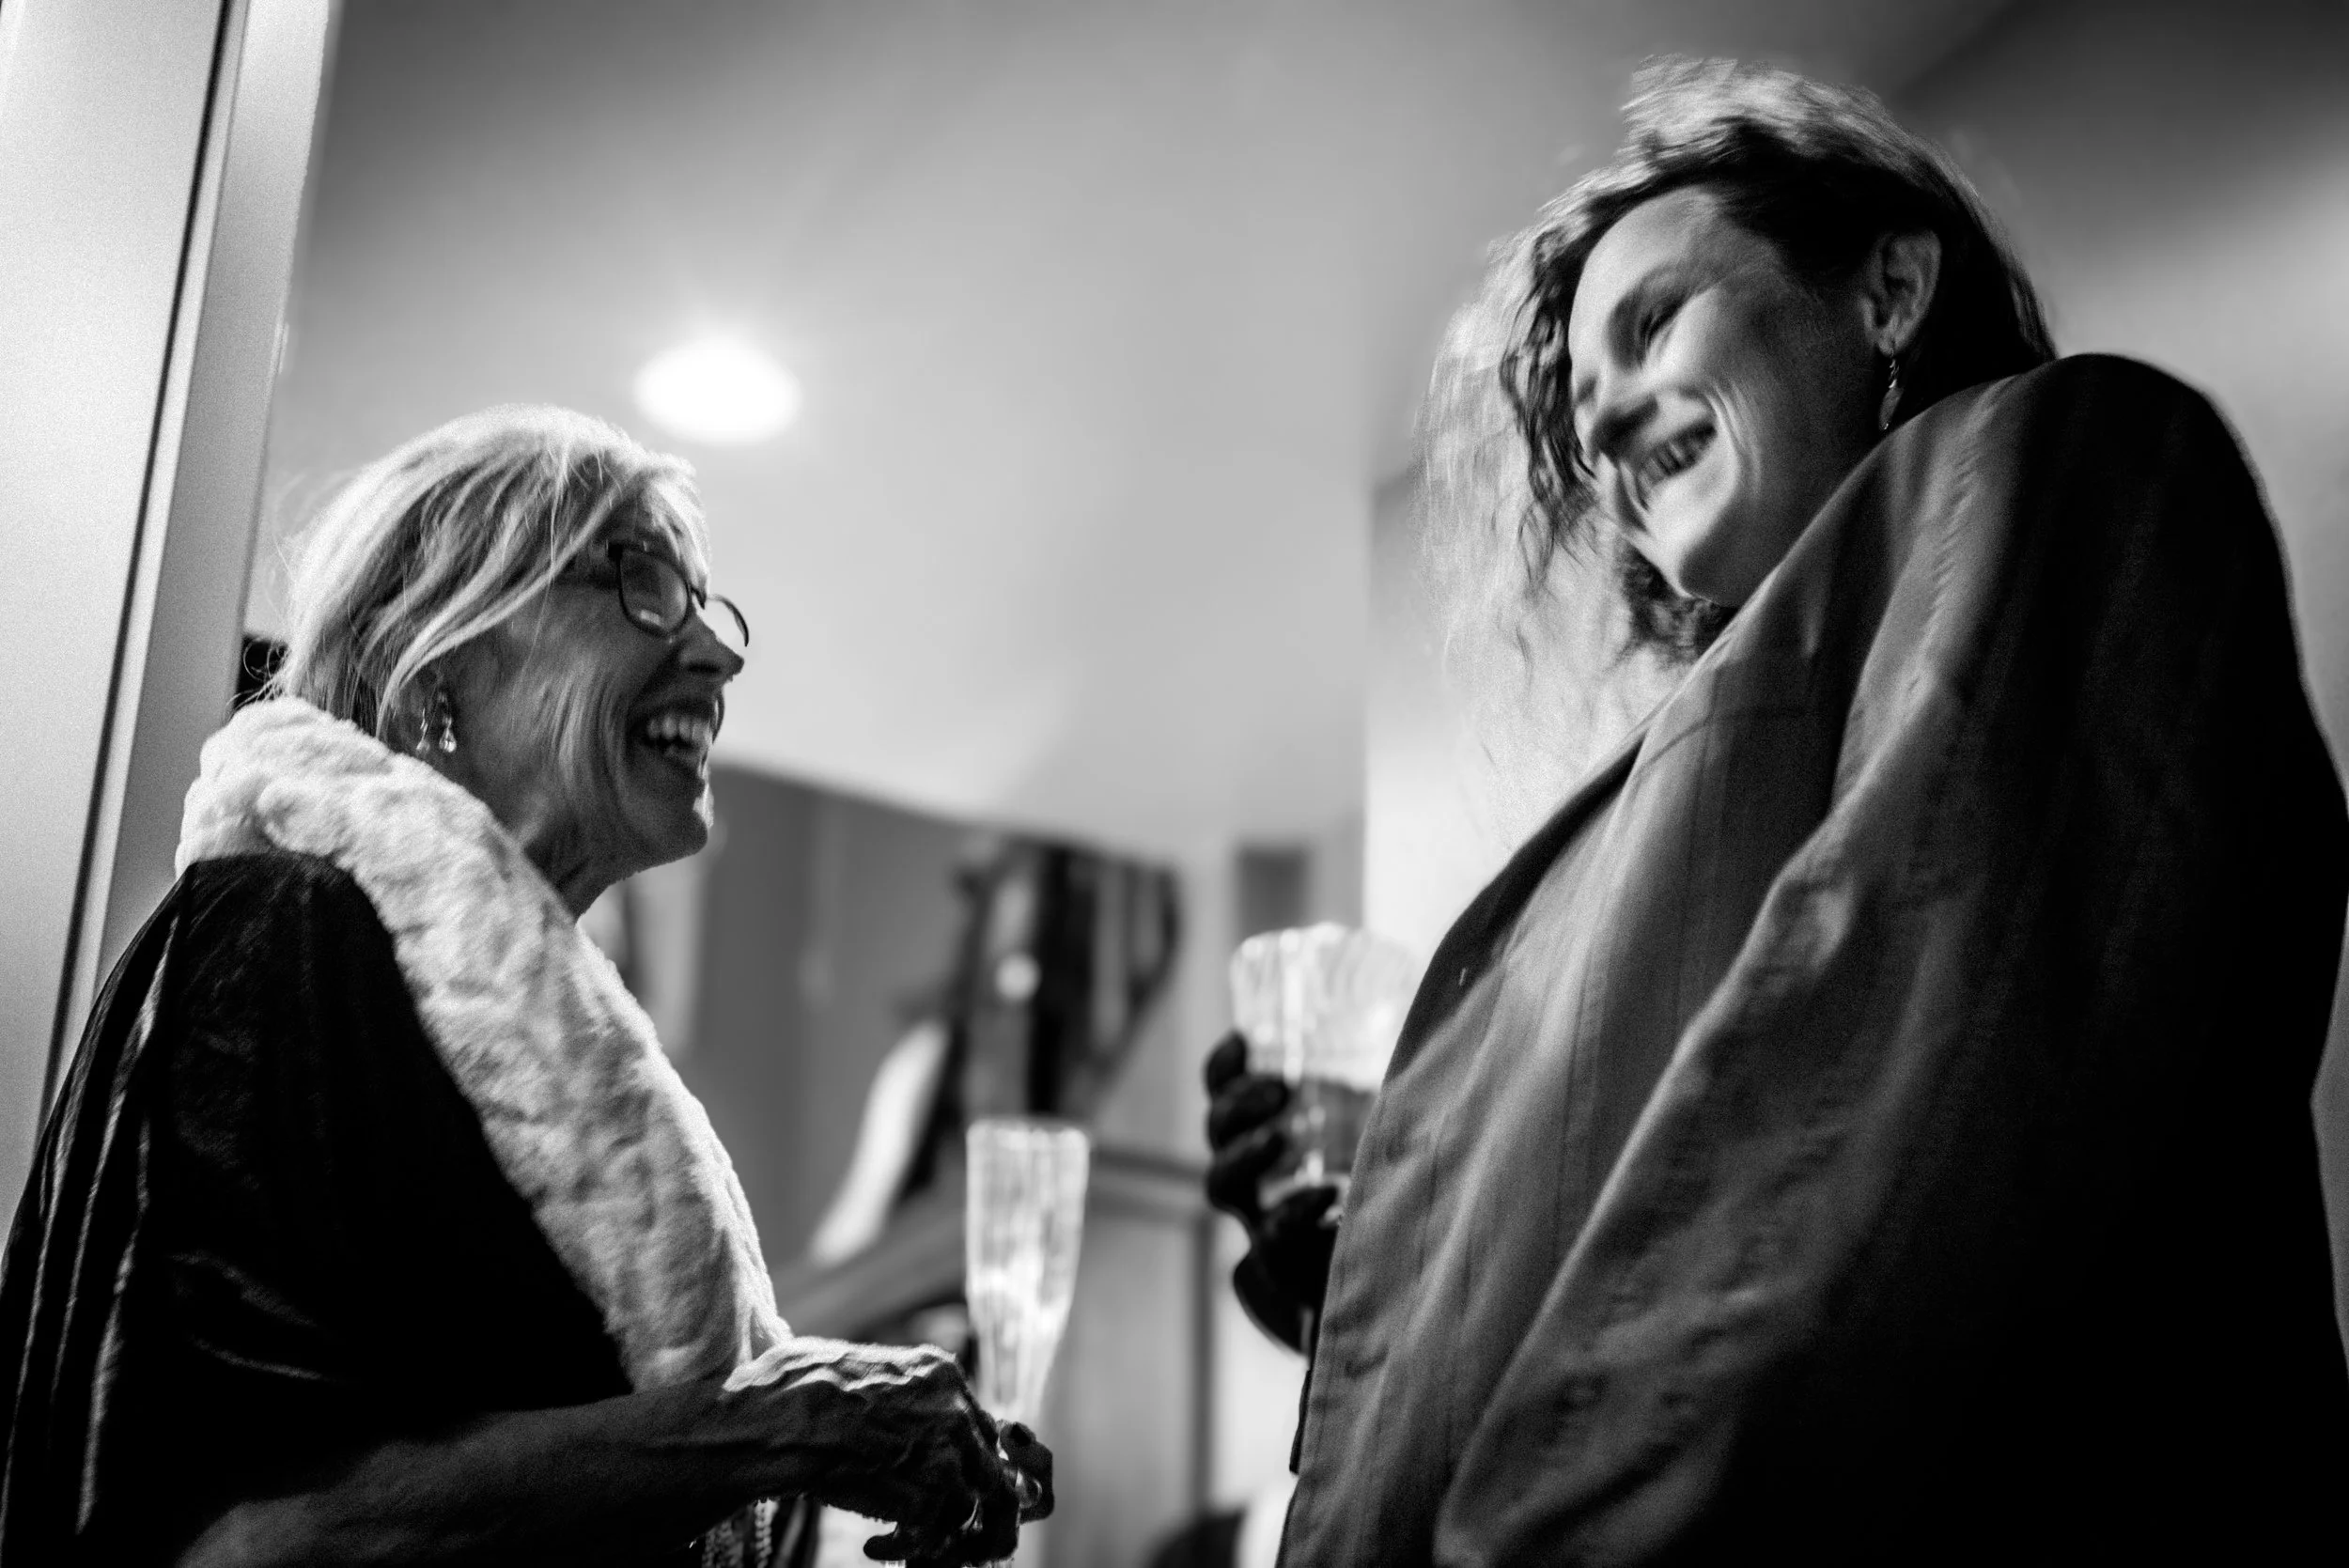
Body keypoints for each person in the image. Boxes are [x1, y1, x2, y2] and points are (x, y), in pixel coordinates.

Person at [1206, 57, 2349, 1564]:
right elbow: (1640, 1250)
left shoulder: (2063, 459)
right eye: (1583, 414)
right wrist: (1364, 1261)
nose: (1609, 427)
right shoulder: (1692, 790)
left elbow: (1877, 1150)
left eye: (1653, 323)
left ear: (1889, 291)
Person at [1, 407, 1050, 1567]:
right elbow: (226, 1543)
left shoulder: (586, 1076)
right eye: (643, 583)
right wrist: (776, 1426)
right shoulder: (276, 928)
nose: (718, 652)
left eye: (706, 603)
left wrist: (867, 1448)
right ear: (434, 672)